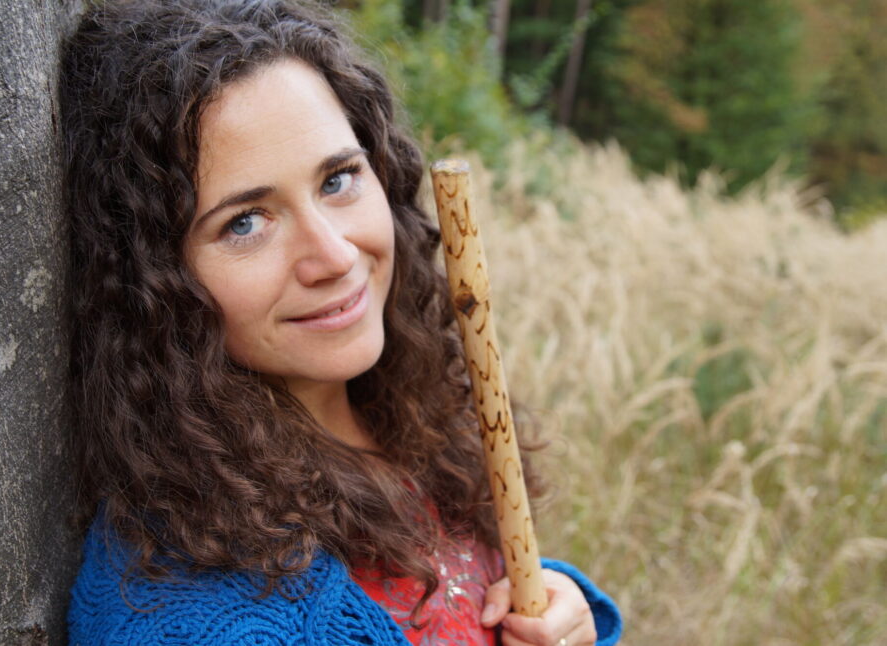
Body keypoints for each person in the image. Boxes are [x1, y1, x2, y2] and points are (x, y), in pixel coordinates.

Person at [60, 1, 622, 644]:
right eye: (245, 222)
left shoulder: (411, 414)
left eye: (337, 179)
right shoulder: (196, 623)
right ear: (148, 279)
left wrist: (556, 614)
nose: (334, 255)